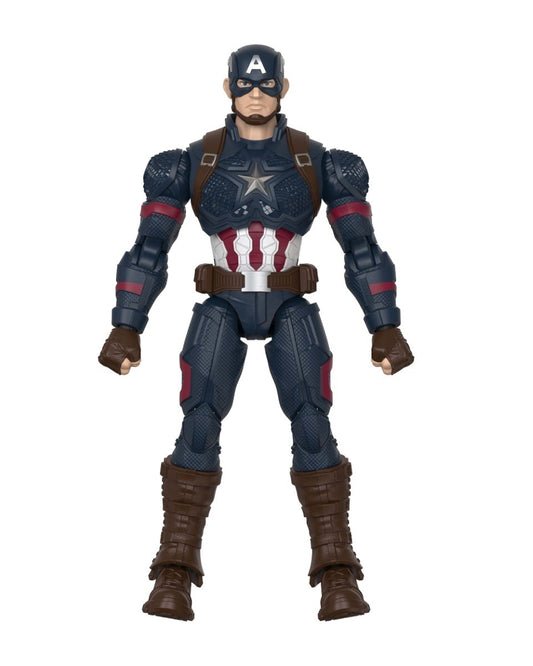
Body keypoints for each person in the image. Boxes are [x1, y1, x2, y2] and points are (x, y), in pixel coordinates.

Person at [99, 44, 414, 622]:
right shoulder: (192, 161)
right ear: (228, 89)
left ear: (283, 89)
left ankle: (337, 572)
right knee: (198, 422)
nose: (255, 95)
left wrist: (385, 326)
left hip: (290, 305)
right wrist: (126, 326)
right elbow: (149, 249)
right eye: (245, 86)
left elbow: (362, 249)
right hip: (221, 304)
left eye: (266, 85)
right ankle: (174, 572)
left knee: (313, 423)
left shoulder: (318, 161)